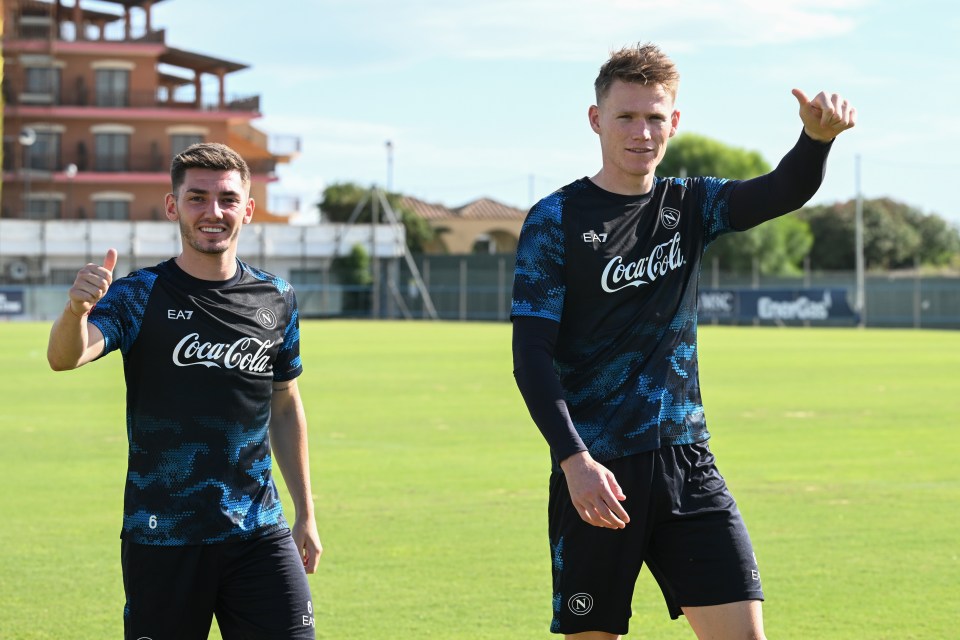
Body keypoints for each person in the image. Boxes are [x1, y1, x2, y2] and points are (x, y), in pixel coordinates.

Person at [511, 43, 855, 639]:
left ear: (674, 122)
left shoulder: (690, 204)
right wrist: (574, 460)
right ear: (597, 120)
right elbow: (530, 355)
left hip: (687, 461)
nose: (641, 132)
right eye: (626, 116)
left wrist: (816, 140)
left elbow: (781, 190)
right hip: (598, 469)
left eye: (654, 117)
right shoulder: (554, 220)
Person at [47, 142, 322, 639]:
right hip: (163, 535)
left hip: (258, 528)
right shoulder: (139, 293)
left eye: (227, 199)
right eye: (197, 198)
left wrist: (306, 512)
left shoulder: (277, 298)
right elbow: (65, 356)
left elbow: (285, 405)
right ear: (173, 206)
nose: (213, 212)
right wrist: (76, 312)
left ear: (248, 209)